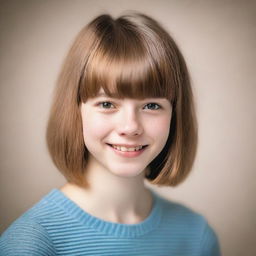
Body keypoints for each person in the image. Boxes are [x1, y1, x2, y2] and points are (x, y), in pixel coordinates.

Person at [0, 11, 221, 255]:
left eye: (151, 106)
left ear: (175, 116)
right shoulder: (31, 243)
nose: (130, 127)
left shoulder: (195, 235)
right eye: (107, 104)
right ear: (75, 111)